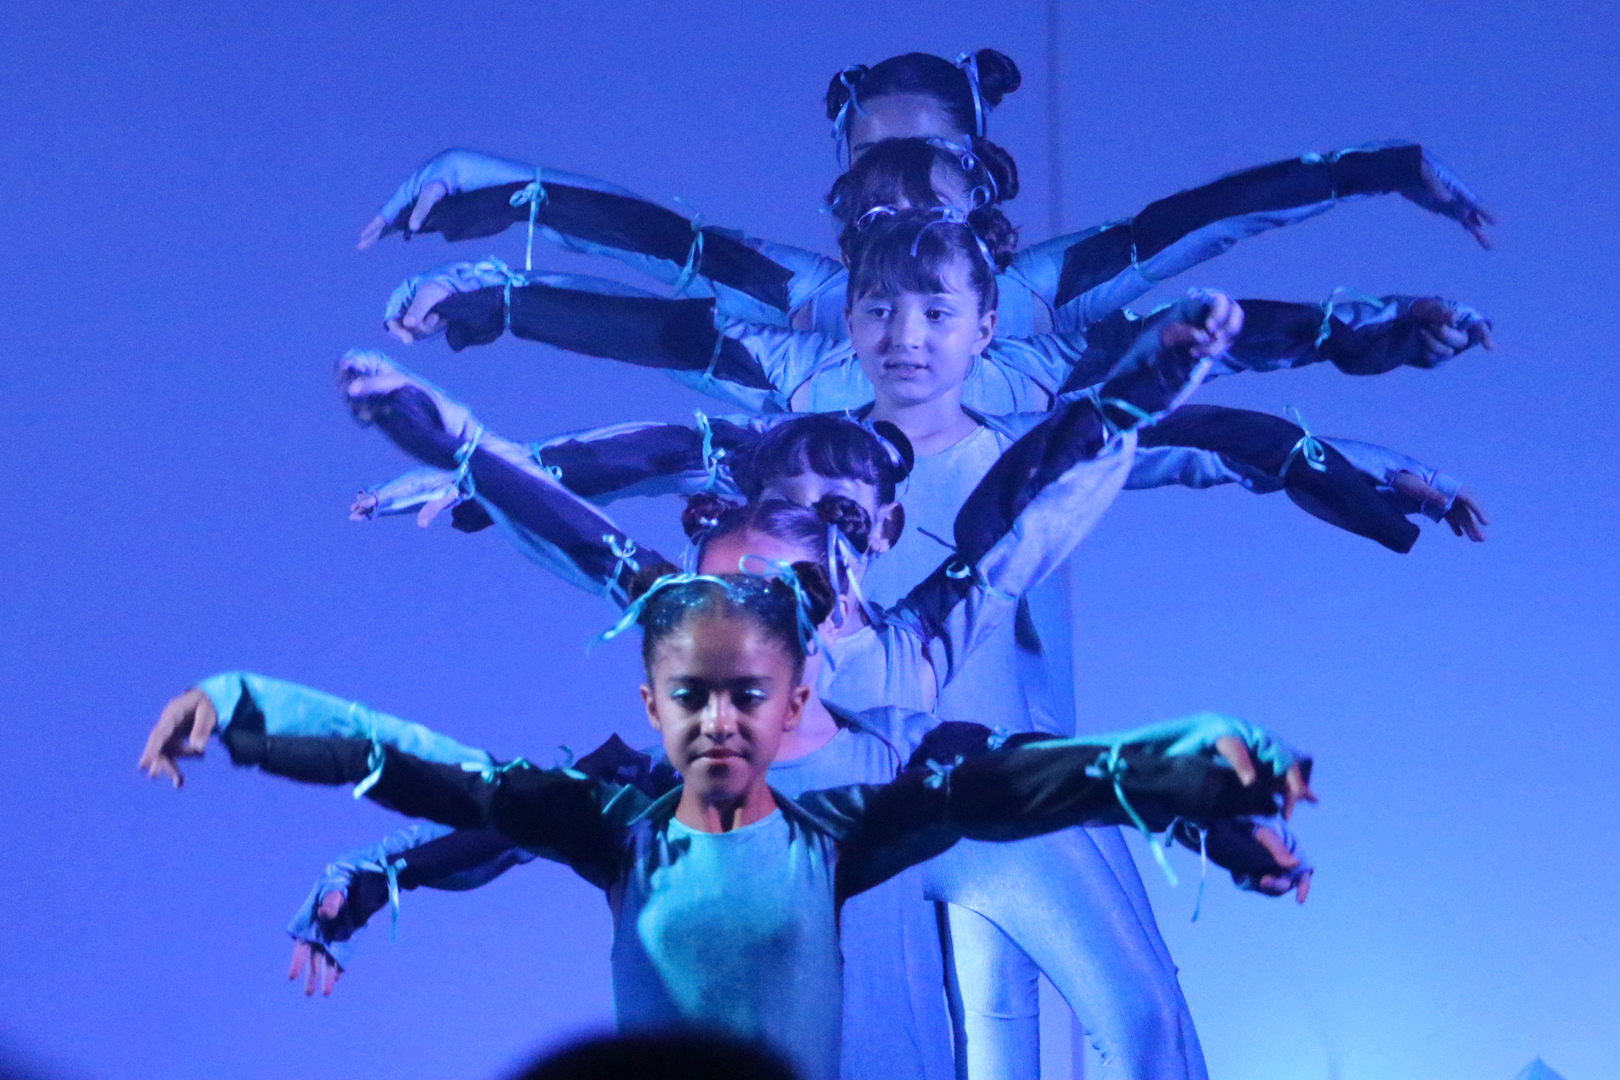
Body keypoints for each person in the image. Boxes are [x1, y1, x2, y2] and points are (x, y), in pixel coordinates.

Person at [138, 566, 1314, 1080]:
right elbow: (437, 773)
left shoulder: (832, 838)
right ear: (649, 705)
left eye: (746, 695)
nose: (716, 722)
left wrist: (1195, 768)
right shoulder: (619, 832)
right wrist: (243, 709)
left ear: (794, 701)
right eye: (688, 697)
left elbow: (1005, 788)